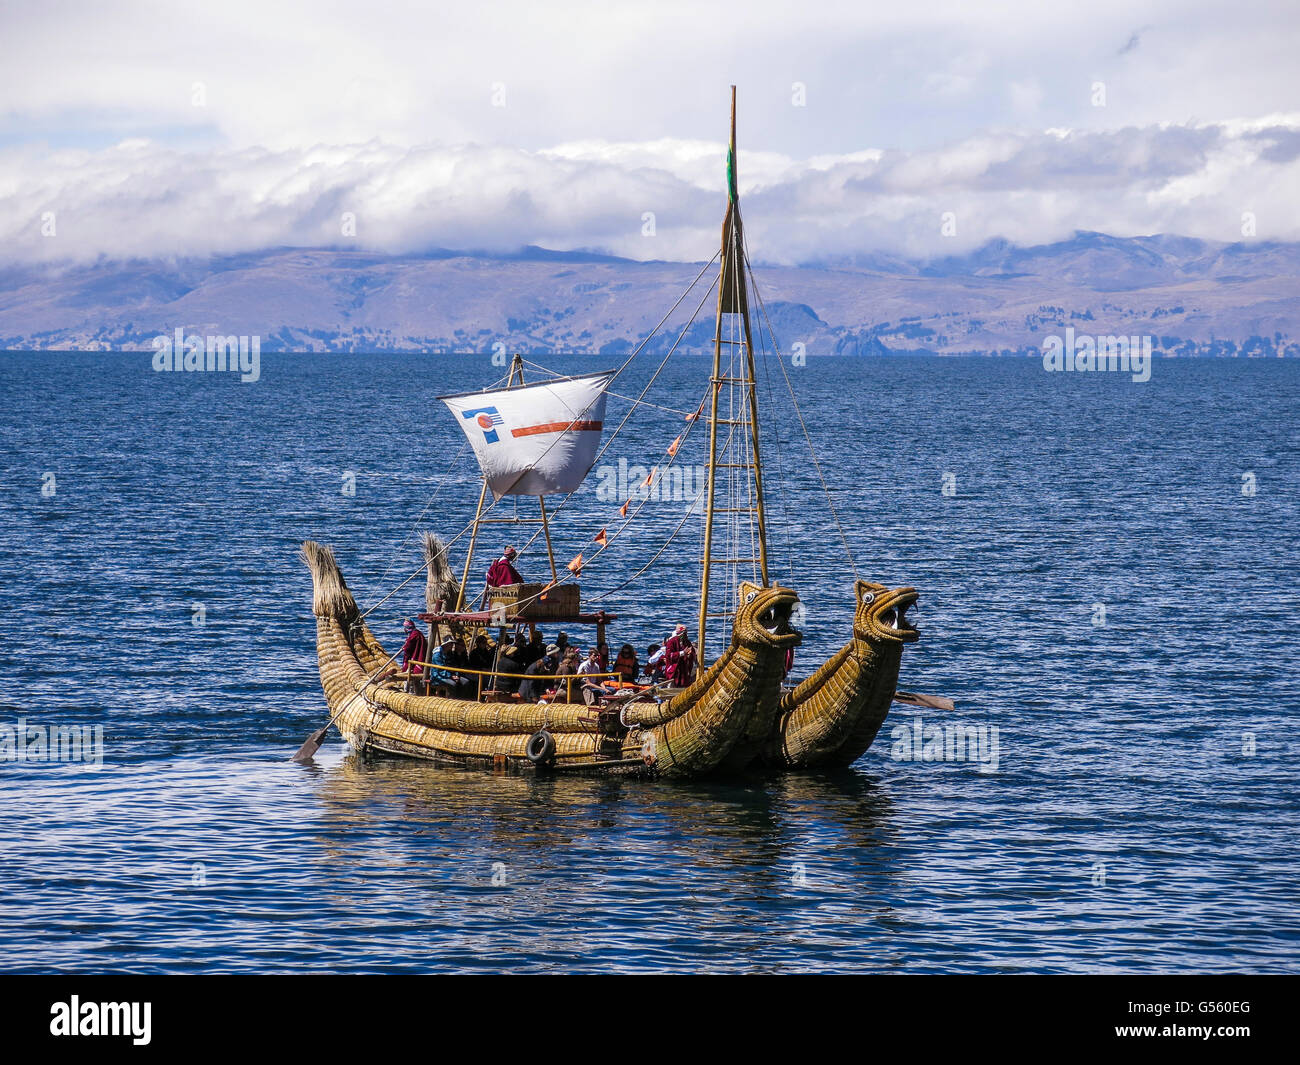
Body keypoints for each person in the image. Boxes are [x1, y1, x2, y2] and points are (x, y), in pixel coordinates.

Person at [400, 619, 428, 693]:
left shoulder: (414, 635)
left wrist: (405, 647)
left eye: (405, 628)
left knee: (409, 676)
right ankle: (411, 690)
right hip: (414, 658)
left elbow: (408, 647)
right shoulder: (416, 633)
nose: (404, 630)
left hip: (414, 660)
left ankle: (409, 691)